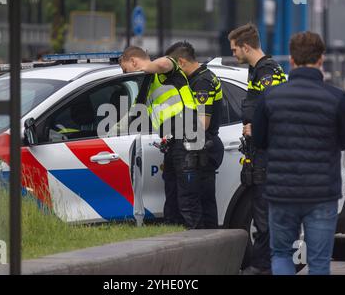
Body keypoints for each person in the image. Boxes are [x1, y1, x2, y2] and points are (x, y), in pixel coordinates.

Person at [253, 31, 345, 275]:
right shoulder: (337, 98)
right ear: (321, 59)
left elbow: (259, 140)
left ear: (291, 60)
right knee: (319, 262)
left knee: (280, 255)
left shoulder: (270, 97)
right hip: (322, 194)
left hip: (281, 192)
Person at [119, 46, 203, 229]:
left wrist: (144, 67)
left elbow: (165, 63)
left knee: (187, 197)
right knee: (172, 195)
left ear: (134, 61)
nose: (126, 75)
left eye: (126, 70)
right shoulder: (147, 85)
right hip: (172, 141)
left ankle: (196, 237)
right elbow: (132, 113)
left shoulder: (163, 70)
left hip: (186, 135)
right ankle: (176, 235)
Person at [227, 23, 287, 275]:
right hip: (260, 153)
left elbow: (278, 110)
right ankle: (264, 265)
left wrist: (257, 129)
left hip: (269, 154)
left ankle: (265, 267)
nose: (233, 54)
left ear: (246, 46)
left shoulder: (267, 71)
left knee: (265, 217)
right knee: (261, 214)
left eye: (234, 49)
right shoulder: (256, 70)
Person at [165, 41, 224, 229]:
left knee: (193, 206)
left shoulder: (201, 82)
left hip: (201, 149)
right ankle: (212, 251)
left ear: (181, 62)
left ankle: (204, 251)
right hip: (203, 148)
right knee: (205, 206)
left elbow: (202, 123)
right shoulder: (203, 77)